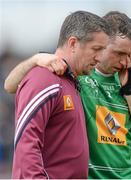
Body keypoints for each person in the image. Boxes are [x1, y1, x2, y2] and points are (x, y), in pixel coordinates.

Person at [4, 11, 131, 179]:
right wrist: (35, 59)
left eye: (130, 55)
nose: (124, 61)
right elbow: (10, 85)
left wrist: (130, 92)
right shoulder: (78, 75)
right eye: (119, 53)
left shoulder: (126, 82)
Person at [4, 11, 111, 179]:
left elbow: (9, 85)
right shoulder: (45, 79)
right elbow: (26, 144)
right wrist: (34, 60)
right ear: (73, 43)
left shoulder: (72, 80)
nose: (100, 58)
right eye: (96, 49)